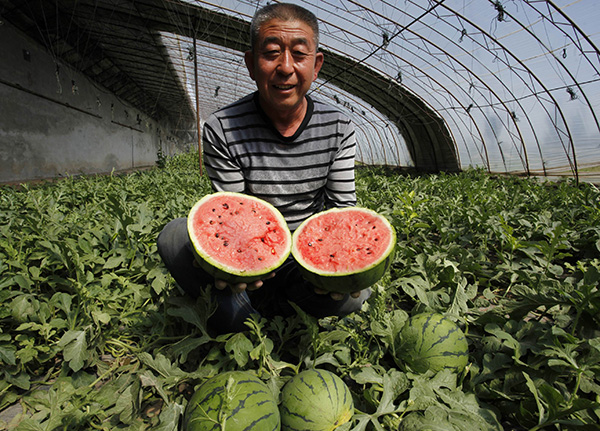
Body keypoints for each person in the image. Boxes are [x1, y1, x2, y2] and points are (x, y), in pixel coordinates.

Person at [157, 3, 370, 334]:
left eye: (299, 54)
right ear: (251, 64)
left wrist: (340, 265)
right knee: (174, 238)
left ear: (316, 66)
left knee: (356, 295)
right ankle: (252, 309)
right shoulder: (222, 127)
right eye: (271, 53)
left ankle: (260, 309)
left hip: (305, 263)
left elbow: (342, 211)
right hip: (249, 255)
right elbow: (234, 214)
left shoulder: (338, 127)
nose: (285, 67)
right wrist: (237, 263)